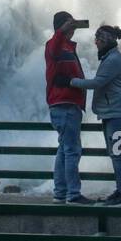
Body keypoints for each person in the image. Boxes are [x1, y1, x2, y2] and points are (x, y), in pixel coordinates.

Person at [60, 24, 121, 205]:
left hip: (118, 115)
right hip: (112, 114)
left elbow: (98, 82)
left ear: (105, 41)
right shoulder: (110, 57)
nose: (95, 43)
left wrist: (71, 82)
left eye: (98, 40)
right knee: (115, 153)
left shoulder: (113, 59)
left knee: (117, 154)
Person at [46, 11, 94, 204]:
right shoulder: (54, 45)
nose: (73, 29)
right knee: (72, 150)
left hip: (67, 105)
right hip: (64, 104)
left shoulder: (68, 47)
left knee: (64, 149)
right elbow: (53, 48)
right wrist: (61, 30)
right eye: (69, 25)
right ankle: (73, 194)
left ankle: (60, 193)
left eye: (74, 26)